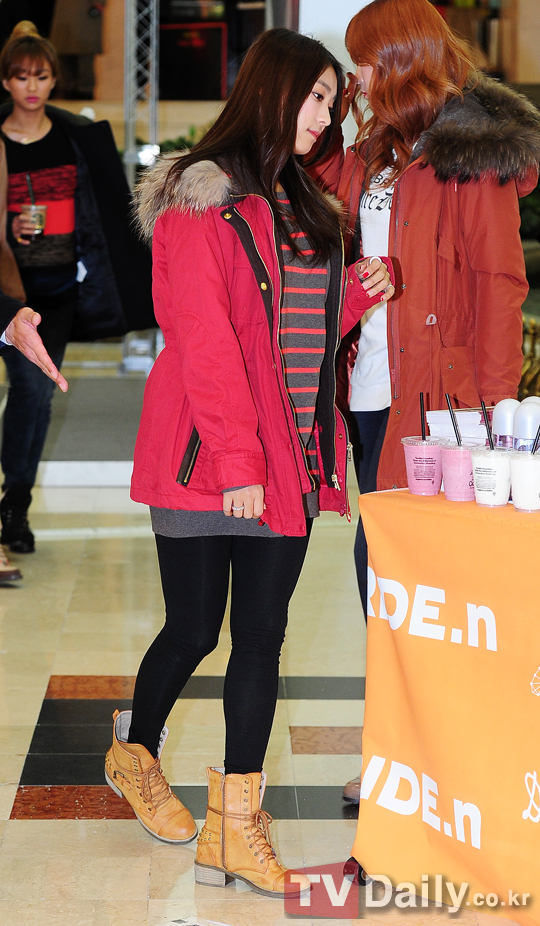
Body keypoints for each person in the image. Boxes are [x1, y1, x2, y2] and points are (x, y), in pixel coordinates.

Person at [104, 27, 394, 899]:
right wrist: (238, 460)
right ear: (274, 90)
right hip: (209, 454)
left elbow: (292, 334)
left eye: (332, 101)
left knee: (262, 636)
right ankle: (134, 753)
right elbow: (206, 343)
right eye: (317, 97)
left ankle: (235, 827)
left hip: (290, 455)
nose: (326, 115)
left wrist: (355, 297)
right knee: (195, 630)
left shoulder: (304, 202)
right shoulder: (203, 201)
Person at [310, 0, 540, 806]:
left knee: (409, 577)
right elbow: (306, 206)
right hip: (370, 391)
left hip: (442, 406)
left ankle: (420, 758)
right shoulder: (374, 149)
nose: (358, 74)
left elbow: (499, 285)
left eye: (367, 60)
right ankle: (407, 754)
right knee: (393, 577)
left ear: (405, 59)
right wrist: (337, 116)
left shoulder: (468, 153)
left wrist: (492, 418)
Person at [0, 23, 153, 554]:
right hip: (5, 288)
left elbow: (103, 212)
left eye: (41, 76)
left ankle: (15, 504)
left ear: (54, 79)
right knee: (32, 393)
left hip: (55, 291)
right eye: (22, 77)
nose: (32, 87)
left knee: (36, 393)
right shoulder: (0, 140)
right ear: (6, 81)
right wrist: (10, 225)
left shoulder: (74, 138)